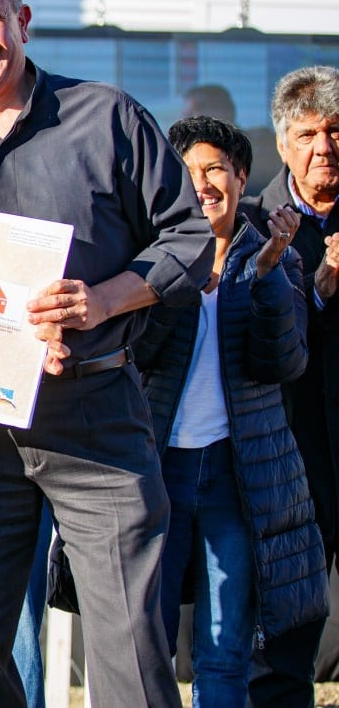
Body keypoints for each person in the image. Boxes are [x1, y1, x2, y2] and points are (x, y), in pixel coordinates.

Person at [0, 0, 214, 705]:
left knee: (130, 646)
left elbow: (189, 238)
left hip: (96, 415)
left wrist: (103, 300)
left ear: (23, 21)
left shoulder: (109, 119)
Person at [135, 115, 327, 705]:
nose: (203, 184)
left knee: (224, 654)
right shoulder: (146, 262)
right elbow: (141, 351)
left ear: (242, 178)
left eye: (215, 169)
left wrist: (266, 274)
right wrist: (180, 273)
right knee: (146, 647)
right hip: (156, 473)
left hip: (237, 478)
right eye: (189, 172)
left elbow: (284, 361)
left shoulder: (272, 256)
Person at [241, 65, 339, 706]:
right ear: (282, 144)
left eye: (336, 131)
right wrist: (320, 290)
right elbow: (248, 337)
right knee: (284, 628)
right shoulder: (254, 224)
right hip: (290, 450)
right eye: (307, 134)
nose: (323, 148)